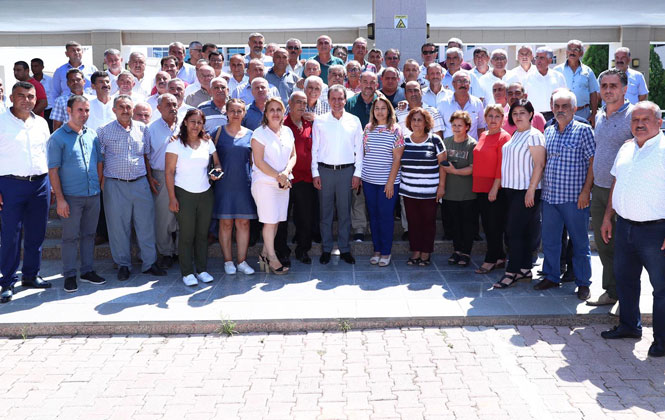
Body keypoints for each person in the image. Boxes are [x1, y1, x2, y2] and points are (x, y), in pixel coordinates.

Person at [599, 101, 665, 358]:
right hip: (624, 226)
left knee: (661, 288)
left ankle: (662, 341)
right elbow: (617, 182)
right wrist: (608, 216)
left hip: (656, 232)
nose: (639, 124)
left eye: (645, 119)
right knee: (625, 280)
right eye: (635, 120)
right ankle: (629, 326)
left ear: (659, 122)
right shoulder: (626, 148)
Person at [97, 95, 166, 281]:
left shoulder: (143, 129)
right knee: (118, 227)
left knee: (146, 225)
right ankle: (123, 265)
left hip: (140, 182)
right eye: (121, 107)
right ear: (114, 110)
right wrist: (101, 182)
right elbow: (100, 159)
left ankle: (149, 263)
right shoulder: (103, 131)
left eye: (128, 107)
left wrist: (149, 178)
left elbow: (146, 156)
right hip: (115, 184)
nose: (125, 110)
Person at [536, 90, 595, 300]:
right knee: (550, 241)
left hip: (574, 199)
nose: (560, 110)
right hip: (550, 198)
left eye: (565, 106)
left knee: (580, 243)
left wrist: (586, 191)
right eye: (557, 106)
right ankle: (552, 276)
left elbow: (593, 162)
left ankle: (583, 282)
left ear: (574, 109)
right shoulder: (548, 130)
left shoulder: (584, 130)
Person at [47, 95, 106, 293]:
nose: (84, 114)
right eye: (80, 110)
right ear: (69, 111)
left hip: (93, 195)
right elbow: (53, 170)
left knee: (89, 235)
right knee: (70, 237)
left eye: (87, 110)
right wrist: (60, 199)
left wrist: (98, 185)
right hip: (71, 197)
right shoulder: (57, 137)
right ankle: (70, 275)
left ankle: (87, 271)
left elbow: (99, 162)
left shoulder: (92, 135)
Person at [586, 70, 634, 313]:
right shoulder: (600, 115)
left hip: (624, 191)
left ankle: (627, 298)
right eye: (604, 85)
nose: (607, 90)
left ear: (624, 89)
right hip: (600, 188)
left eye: (613, 85)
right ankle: (612, 291)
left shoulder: (634, 115)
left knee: (625, 247)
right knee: (604, 244)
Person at [0, 82, 52, 303]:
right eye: (21, 95)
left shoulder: (41, 123)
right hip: (10, 184)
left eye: (31, 96)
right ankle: (7, 282)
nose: (26, 100)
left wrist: (50, 184)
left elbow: (47, 153)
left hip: (39, 184)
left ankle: (31, 275)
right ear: (12, 98)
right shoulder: (1, 121)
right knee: (10, 235)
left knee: (36, 233)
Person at [492, 99, 545, 289]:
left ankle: (511, 272)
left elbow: (539, 164)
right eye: (515, 113)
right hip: (512, 189)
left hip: (526, 190)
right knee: (521, 231)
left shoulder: (534, 135)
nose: (518, 116)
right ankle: (524, 269)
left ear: (531, 114)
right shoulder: (516, 134)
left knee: (513, 231)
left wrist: (531, 189)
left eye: (522, 112)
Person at [165, 109, 221, 286]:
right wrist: (172, 197)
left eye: (199, 122)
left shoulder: (207, 142)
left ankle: (202, 270)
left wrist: (216, 173)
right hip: (184, 194)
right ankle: (187, 272)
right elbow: (169, 172)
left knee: (202, 234)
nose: (196, 125)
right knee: (187, 235)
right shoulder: (175, 144)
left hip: (205, 194)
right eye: (192, 121)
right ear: (185, 122)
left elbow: (217, 163)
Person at [312, 85, 363, 265]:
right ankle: (326, 249)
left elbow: (359, 149)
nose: (337, 102)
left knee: (344, 212)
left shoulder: (354, 121)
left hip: (346, 171)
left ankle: (344, 249)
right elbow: (315, 148)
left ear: (345, 100)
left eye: (340, 98)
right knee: (325, 213)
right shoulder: (320, 121)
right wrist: (315, 173)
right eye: (333, 99)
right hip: (325, 171)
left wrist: (357, 173)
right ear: (328, 100)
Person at [251, 98, 297, 274]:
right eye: (272, 110)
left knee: (276, 220)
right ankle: (272, 257)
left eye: (279, 109)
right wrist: (279, 176)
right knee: (269, 222)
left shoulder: (287, 131)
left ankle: (264, 254)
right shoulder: (259, 134)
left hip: (283, 183)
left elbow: (293, 156)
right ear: (265, 113)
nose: (275, 113)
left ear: (284, 112)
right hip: (265, 183)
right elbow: (259, 162)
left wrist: (286, 173)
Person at [212, 98, 256, 275]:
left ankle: (242, 261)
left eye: (239, 111)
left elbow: (254, 162)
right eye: (232, 110)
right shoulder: (217, 132)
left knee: (244, 223)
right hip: (224, 185)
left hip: (244, 184)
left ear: (244, 113)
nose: (236, 114)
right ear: (227, 112)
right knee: (226, 223)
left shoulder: (252, 135)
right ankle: (228, 261)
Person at [361, 96, 404, 266]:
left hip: (387, 182)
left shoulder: (396, 130)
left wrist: (390, 182)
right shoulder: (368, 128)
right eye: (377, 108)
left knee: (385, 216)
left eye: (383, 108)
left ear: (389, 111)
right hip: (369, 180)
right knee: (373, 216)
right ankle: (377, 249)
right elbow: (366, 152)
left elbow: (397, 158)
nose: (380, 111)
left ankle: (386, 252)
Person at [400, 108, 446, 266]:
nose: (416, 123)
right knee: (413, 223)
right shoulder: (404, 140)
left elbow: (443, 164)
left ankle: (426, 252)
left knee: (428, 223)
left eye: (420, 120)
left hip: (430, 192)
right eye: (413, 120)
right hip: (409, 191)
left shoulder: (435, 140)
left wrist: (441, 186)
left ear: (426, 122)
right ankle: (416, 251)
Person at [473, 104, 510, 274]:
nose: (493, 120)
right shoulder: (483, 134)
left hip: (495, 188)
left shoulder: (504, 137)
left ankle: (491, 259)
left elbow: (502, 165)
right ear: (485, 118)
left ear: (503, 119)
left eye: (497, 116)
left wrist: (495, 188)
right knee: (488, 224)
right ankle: (500, 257)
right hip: (480, 186)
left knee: (493, 226)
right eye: (490, 116)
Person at [146, 93, 180, 269]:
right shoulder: (151, 129)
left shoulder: (185, 125)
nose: (173, 108)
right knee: (163, 216)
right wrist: (150, 176)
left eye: (174, 104)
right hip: (160, 175)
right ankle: (166, 252)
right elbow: (145, 155)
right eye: (168, 105)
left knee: (183, 216)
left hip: (184, 175)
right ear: (159, 108)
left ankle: (181, 251)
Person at [441, 111, 477, 267]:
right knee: (454, 224)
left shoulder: (472, 144)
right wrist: (441, 187)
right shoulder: (446, 142)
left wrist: (454, 171)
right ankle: (457, 250)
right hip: (450, 191)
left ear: (467, 127)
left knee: (467, 224)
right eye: (454, 125)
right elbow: (442, 166)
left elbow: (472, 168)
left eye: (460, 125)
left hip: (467, 192)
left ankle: (466, 252)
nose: (456, 128)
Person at [283, 92, 316, 264]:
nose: (302, 106)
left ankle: (303, 249)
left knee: (305, 217)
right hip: (286, 179)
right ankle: (282, 252)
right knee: (282, 218)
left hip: (306, 179)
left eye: (304, 103)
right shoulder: (282, 124)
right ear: (289, 103)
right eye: (298, 102)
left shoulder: (310, 124)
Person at [554, 40, 599, 125]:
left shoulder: (588, 71)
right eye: (570, 49)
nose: (572, 52)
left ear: (581, 53)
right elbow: (552, 93)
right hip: (563, 113)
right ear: (566, 52)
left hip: (583, 113)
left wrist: (594, 114)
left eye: (576, 50)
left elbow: (593, 93)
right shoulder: (557, 70)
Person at [438, 71, 486, 140]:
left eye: (465, 81)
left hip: (471, 145)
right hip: (449, 146)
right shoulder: (443, 104)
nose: (463, 84)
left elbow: (481, 128)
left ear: (470, 84)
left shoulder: (477, 103)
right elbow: (439, 130)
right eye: (459, 81)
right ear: (453, 83)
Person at [524, 47, 567, 120]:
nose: (538, 61)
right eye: (537, 57)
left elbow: (565, 96)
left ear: (550, 60)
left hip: (554, 115)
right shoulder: (527, 77)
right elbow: (523, 98)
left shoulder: (558, 77)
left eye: (542, 58)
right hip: (534, 116)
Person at [31, 58, 54, 127]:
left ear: (42, 67)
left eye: (36, 66)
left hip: (49, 111)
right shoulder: (30, 82)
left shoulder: (50, 80)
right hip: (35, 111)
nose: (33, 68)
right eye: (32, 66)